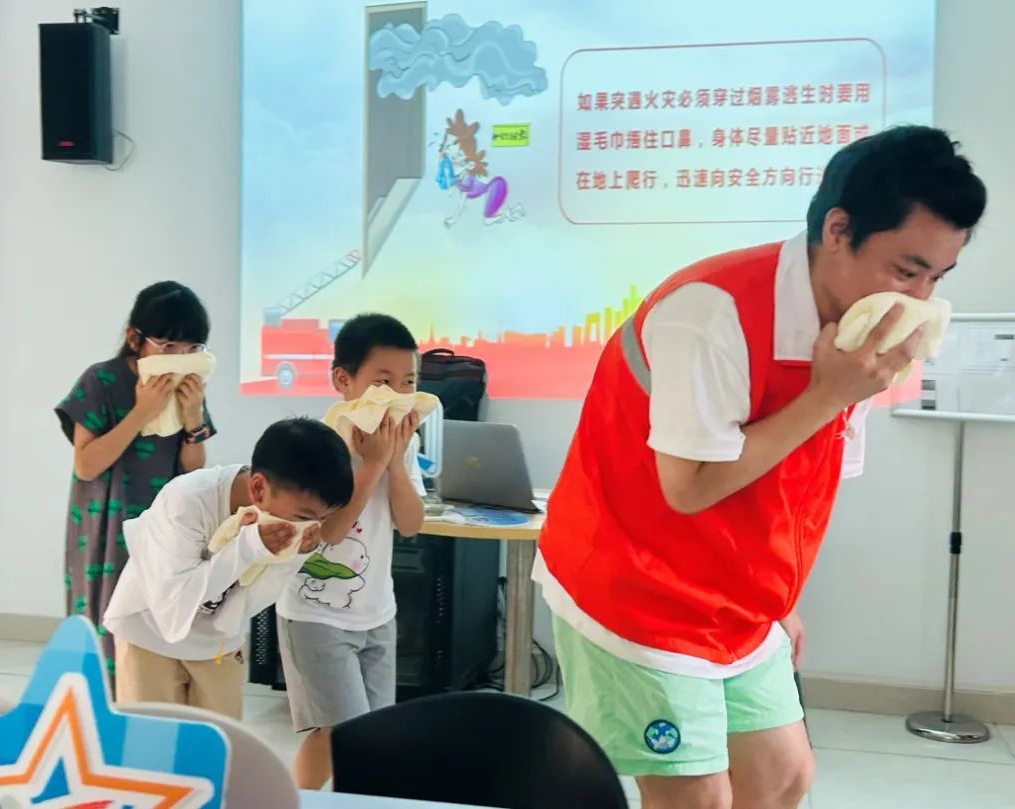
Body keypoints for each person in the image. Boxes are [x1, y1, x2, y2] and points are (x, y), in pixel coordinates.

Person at [534, 126, 987, 809]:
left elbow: (802, 487)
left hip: (738, 602)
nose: (919, 300)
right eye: (905, 271)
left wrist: (781, 601)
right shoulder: (709, 311)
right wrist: (829, 394)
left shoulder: (860, 335)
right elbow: (689, 488)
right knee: (695, 798)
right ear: (838, 230)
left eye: (937, 278)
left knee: (781, 778)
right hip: (635, 589)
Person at [103, 417, 354, 720]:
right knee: (152, 742)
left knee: (221, 740)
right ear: (258, 488)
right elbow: (175, 604)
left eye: (322, 519)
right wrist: (247, 547)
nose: (311, 527)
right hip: (149, 633)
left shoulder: (294, 522)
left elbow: (249, 602)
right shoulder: (187, 500)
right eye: (304, 517)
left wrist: (290, 560)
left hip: (217, 645)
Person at [276, 313, 426, 789]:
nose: (397, 394)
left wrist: (395, 464)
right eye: (382, 382)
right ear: (343, 380)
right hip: (315, 617)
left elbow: (411, 524)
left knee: (364, 734)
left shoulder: (401, 444)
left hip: (377, 614)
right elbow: (332, 532)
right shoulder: (322, 446)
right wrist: (374, 464)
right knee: (342, 734)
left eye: (408, 382)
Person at [56, 281, 216, 681]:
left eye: (191, 349)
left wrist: (193, 420)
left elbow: (194, 470)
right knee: (103, 620)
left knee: (152, 624)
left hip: (163, 522)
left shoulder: (188, 385)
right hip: (105, 525)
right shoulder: (101, 381)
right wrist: (142, 411)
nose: (179, 359)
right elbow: (86, 465)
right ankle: (99, 702)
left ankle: (146, 701)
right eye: (168, 346)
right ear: (134, 338)